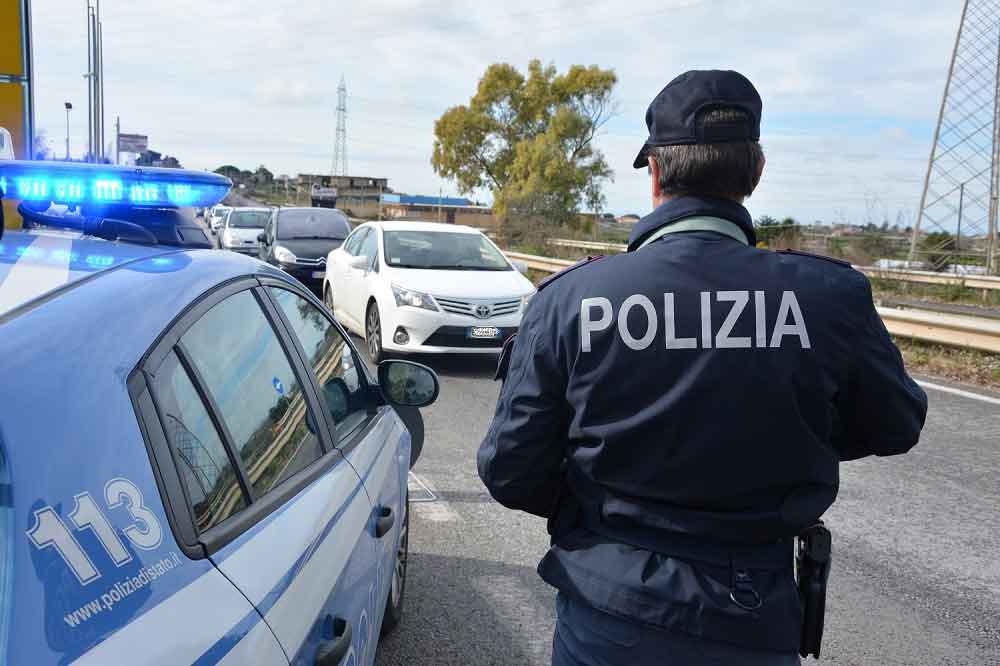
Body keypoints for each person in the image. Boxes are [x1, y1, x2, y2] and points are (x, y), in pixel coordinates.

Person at [477, 70, 928, 666]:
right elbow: (893, 425)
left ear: (656, 172)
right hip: (753, 614)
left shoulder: (570, 300)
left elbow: (511, 470)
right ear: (756, 172)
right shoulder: (827, 297)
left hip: (609, 610)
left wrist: (595, 507)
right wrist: (783, 434)